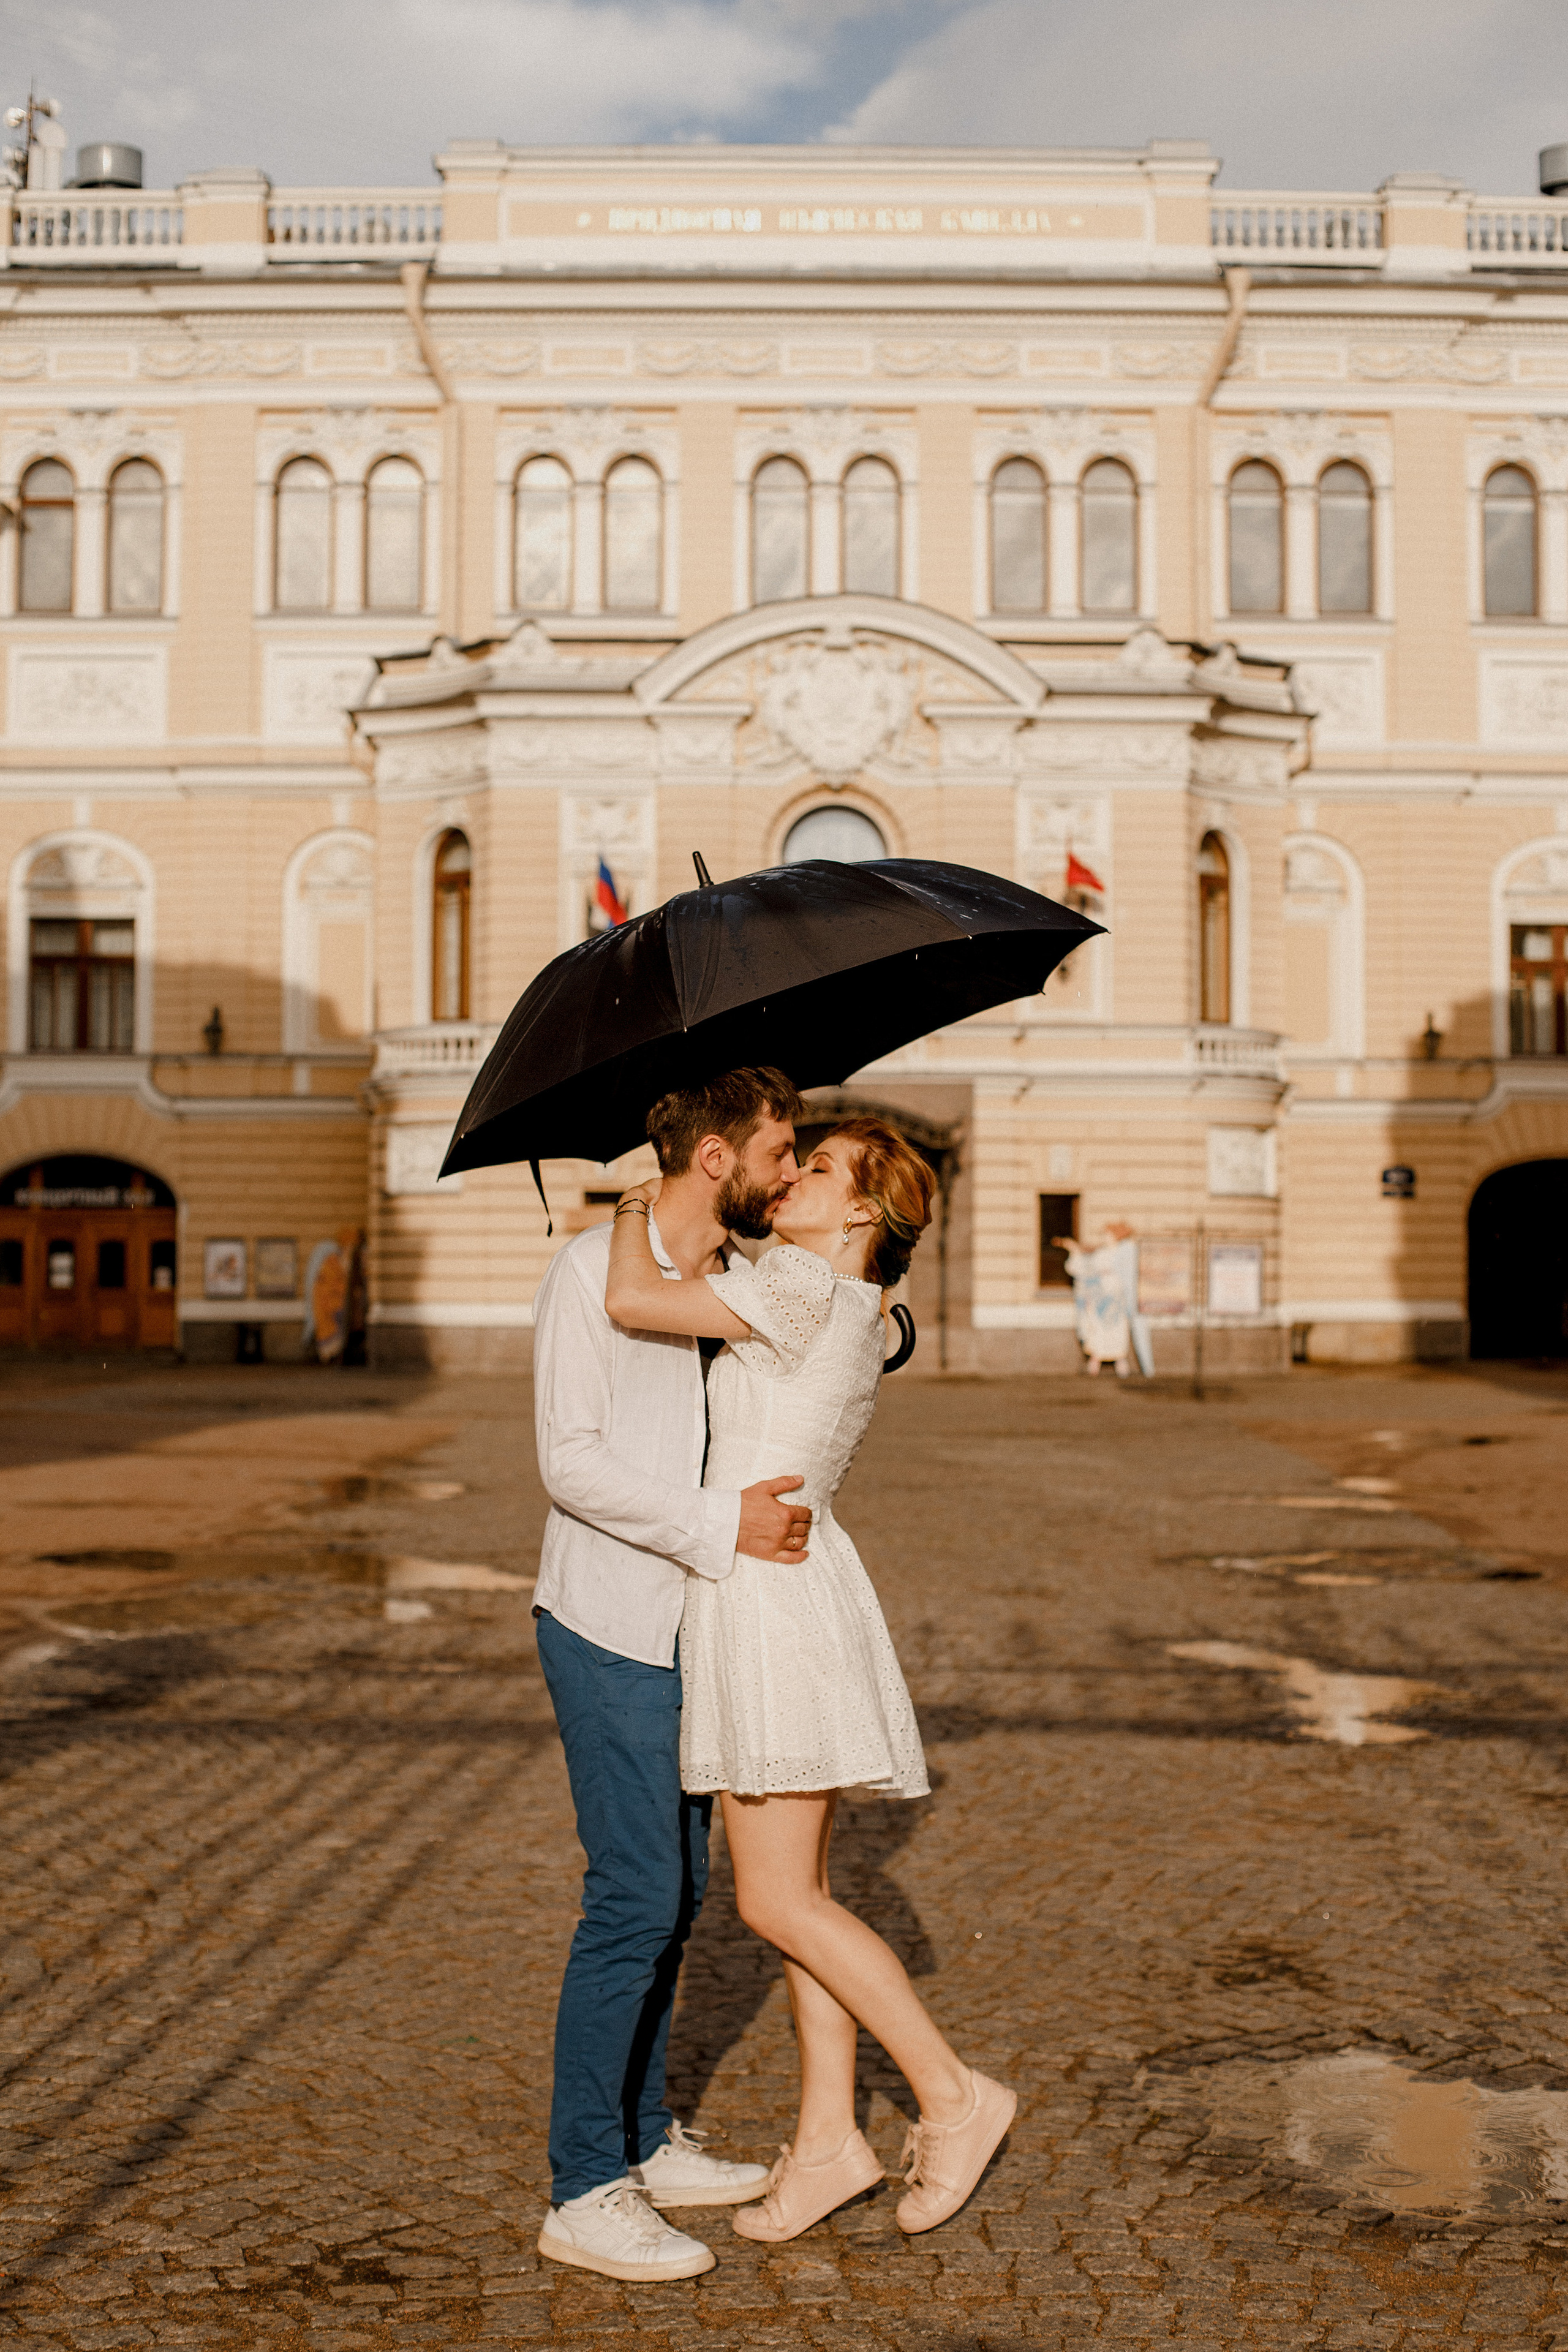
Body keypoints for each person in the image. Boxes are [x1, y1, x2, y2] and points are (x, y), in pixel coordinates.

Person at [605, 1116, 1016, 2247]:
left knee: (775, 1901)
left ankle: (953, 2094)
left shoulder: (800, 1288)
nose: (793, 1178)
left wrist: (639, 1202)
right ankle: (831, 2137)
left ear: (863, 1215)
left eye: (818, 1169)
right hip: (789, 1587)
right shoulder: (846, 1306)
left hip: (767, 1600)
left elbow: (635, 1303)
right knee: (805, 1901)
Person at [531, 1066, 817, 2284]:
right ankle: (584, 2186)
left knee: (683, 1892)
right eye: (779, 1149)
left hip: (695, 1626)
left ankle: (647, 2141)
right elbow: (571, 1463)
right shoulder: (583, 1275)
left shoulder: (714, 1281)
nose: (790, 1170)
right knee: (634, 1902)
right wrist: (721, 1525)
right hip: (606, 1624)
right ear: (715, 1157)